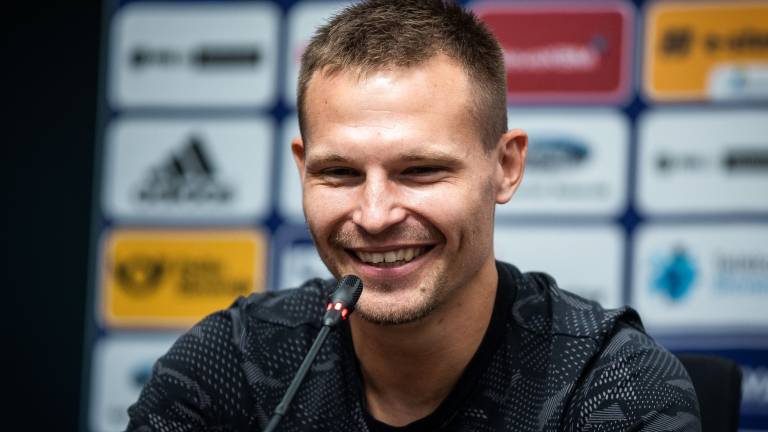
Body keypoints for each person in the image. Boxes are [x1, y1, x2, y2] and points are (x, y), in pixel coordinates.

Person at [126, 1, 701, 430]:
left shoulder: (612, 382)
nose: (375, 216)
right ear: (303, 171)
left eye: (421, 170)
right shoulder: (230, 364)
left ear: (506, 167)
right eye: (340, 173)